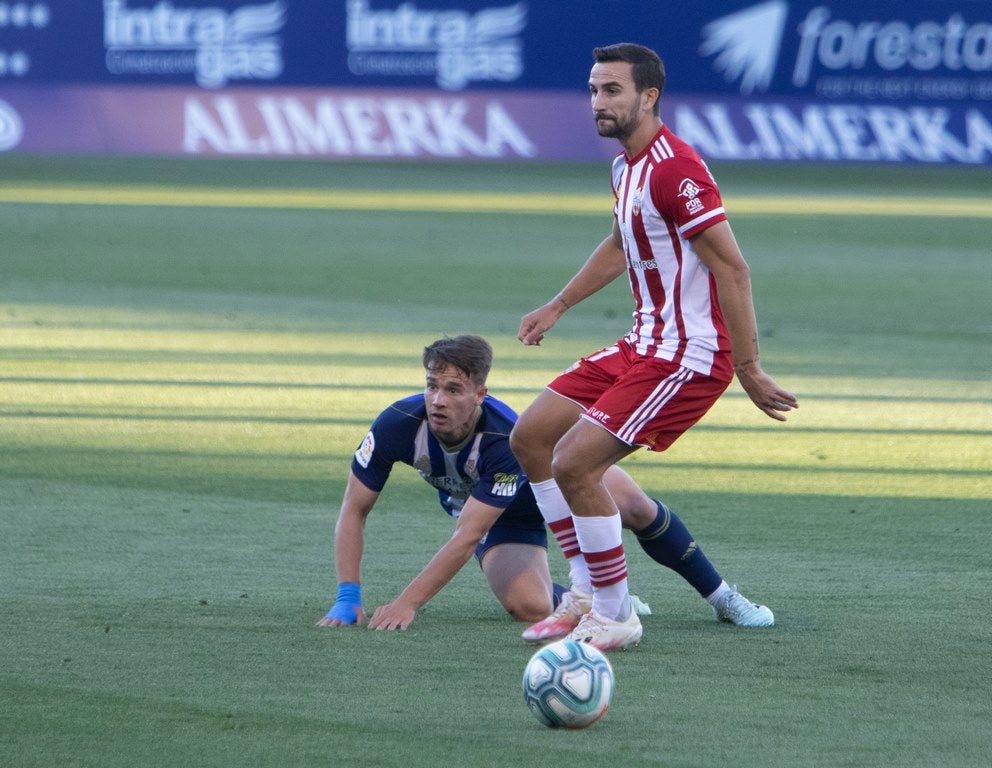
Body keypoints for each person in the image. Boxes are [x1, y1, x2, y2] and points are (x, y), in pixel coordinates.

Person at [509, 43, 799, 652]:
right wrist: (558, 304)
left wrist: (747, 366)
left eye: (612, 90)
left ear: (649, 97)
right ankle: (586, 593)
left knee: (575, 463)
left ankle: (615, 616)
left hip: (687, 356)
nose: (598, 102)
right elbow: (621, 243)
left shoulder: (676, 169)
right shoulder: (625, 168)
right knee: (531, 438)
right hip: (642, 344)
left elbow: (733, 268)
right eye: (593, 90)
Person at [318, 334, 771, 632]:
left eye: (453, 390)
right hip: (503, 519)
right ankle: (596, 594)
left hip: (550, 473)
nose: (438, 399)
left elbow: (465, 537)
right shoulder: (397, 423)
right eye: (432, 385)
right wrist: (347, 597)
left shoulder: (502, 439)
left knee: (635, 507)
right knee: (528, 607)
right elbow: (354, 508)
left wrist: (407, 603)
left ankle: (724, 597)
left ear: (481, 394)